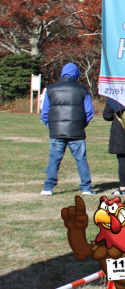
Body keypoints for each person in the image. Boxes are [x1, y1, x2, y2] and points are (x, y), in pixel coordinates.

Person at [40, 63, 95, 196]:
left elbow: (44, 113)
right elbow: (89, 112)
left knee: (54, 160)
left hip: (57, 131)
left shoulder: (50, 89)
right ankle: (86, 188)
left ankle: (48, 188)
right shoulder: (83, 90)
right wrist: (81, 125)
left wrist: (52, 126)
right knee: (81, 160)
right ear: (76, 74)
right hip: (77, 131)